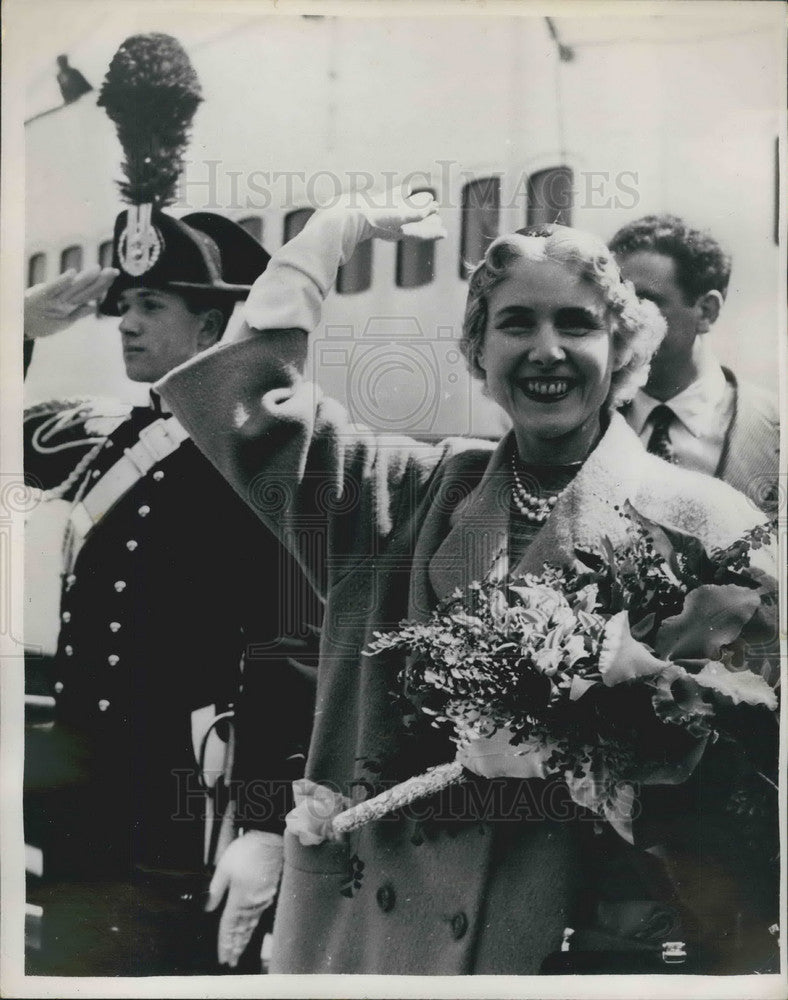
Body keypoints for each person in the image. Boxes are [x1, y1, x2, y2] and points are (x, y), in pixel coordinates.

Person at [158, 192, 777, 975]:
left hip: (584, 947)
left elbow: (757, 762)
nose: (546, 350)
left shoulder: (704, 519)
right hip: (384, 952)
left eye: (577, 324)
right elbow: (244, 410)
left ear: (621, 348)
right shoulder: (398, 498)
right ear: (478, 351)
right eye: (516, 323)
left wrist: (609, 750)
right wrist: (322, 246)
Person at [23, 215, 318, 977]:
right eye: (126, 305)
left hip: (184, 827)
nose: (126, 323)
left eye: (152, 306)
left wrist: (263, 822)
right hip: (85, 815)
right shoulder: (119, 440)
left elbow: (288, 644)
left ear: (212, 325)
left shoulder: (260, 456)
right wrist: (14, 327)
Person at [608, 214, 779, 511]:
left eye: (644, 300)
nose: (623, 318)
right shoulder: (585, 418)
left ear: (706, 312)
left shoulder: (778, 429)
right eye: (616, 301)